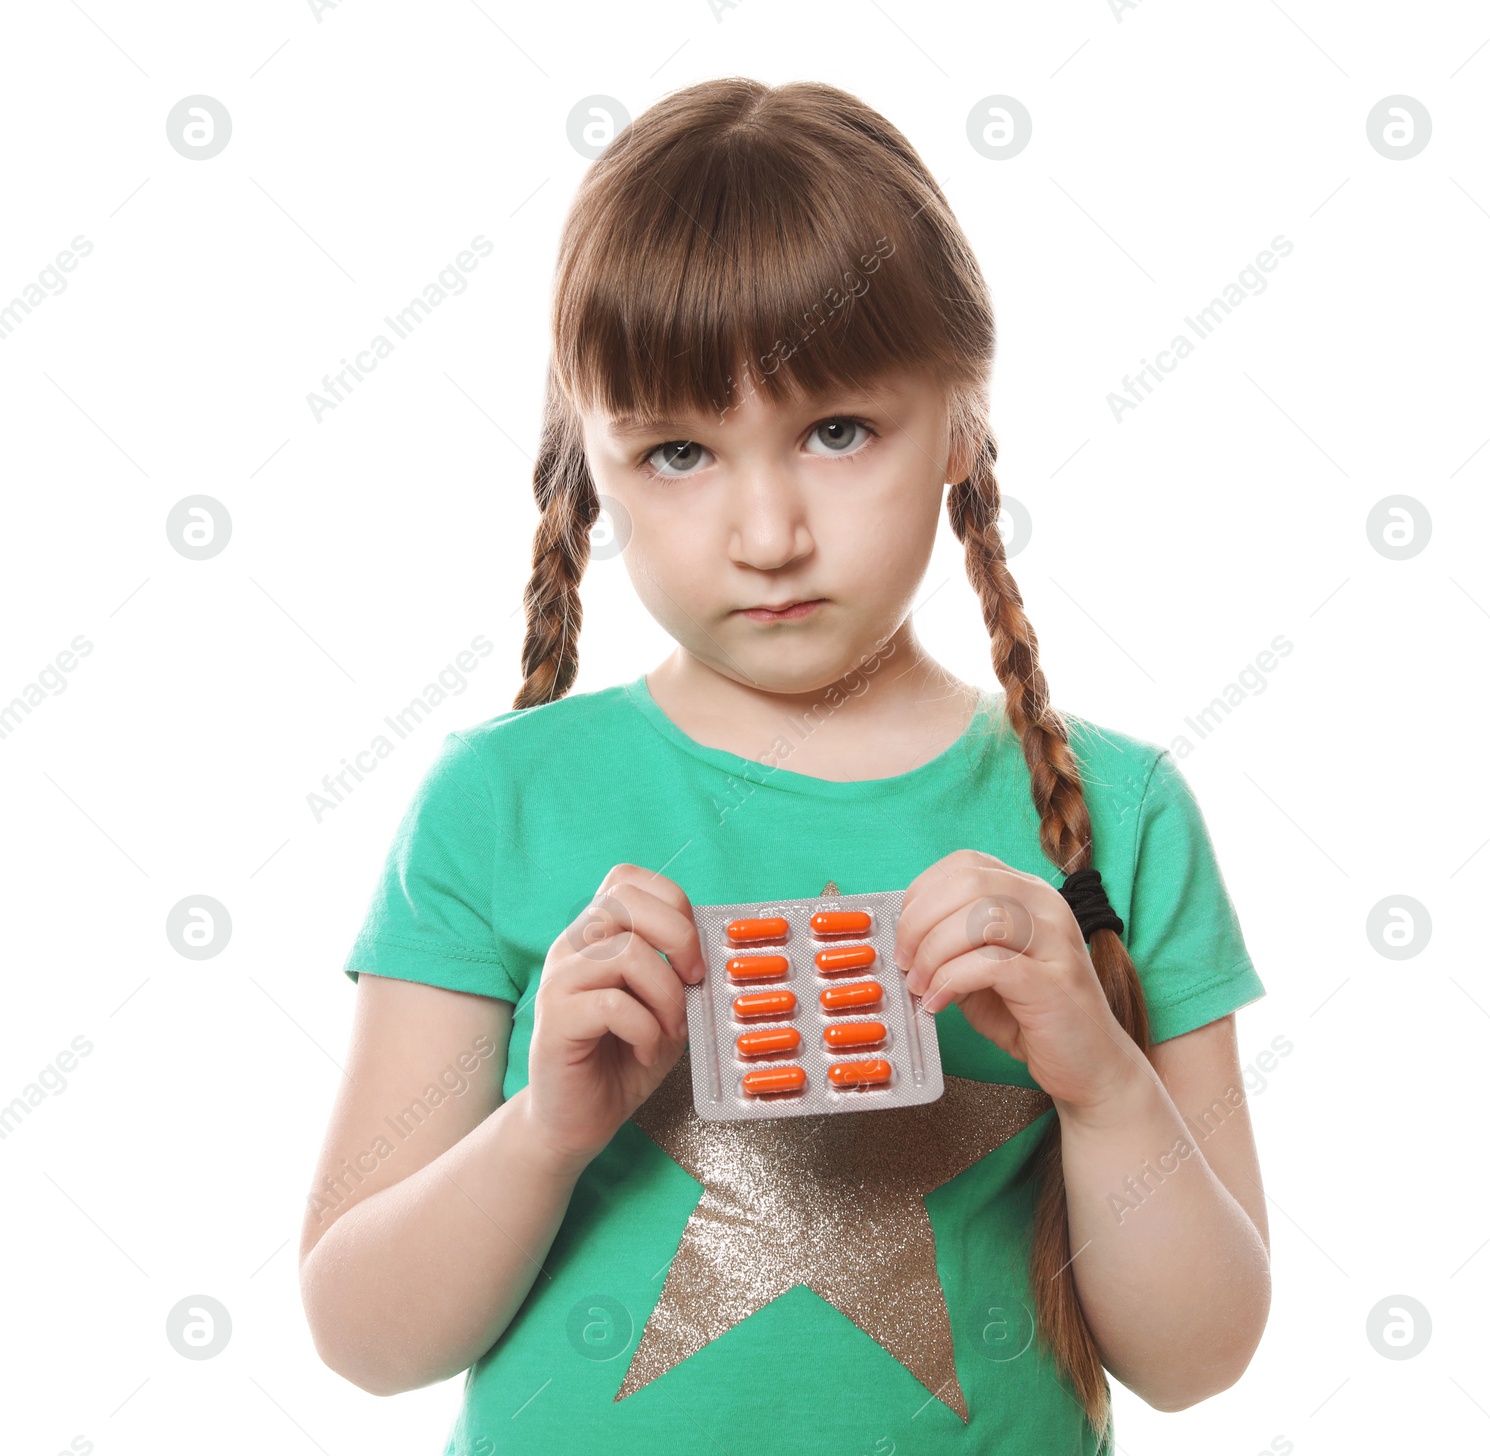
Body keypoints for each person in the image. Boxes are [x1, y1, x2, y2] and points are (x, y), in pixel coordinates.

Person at [299, 76, 1271, 1455]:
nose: (766, 531)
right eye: (682, 451)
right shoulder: (499, 801)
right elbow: (365, 1336)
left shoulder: (1121, 814)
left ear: (964, 423)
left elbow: (1199, 1356)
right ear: (595, 464)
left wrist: (1098, 1077)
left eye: (836, 431)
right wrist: (544, 1130)